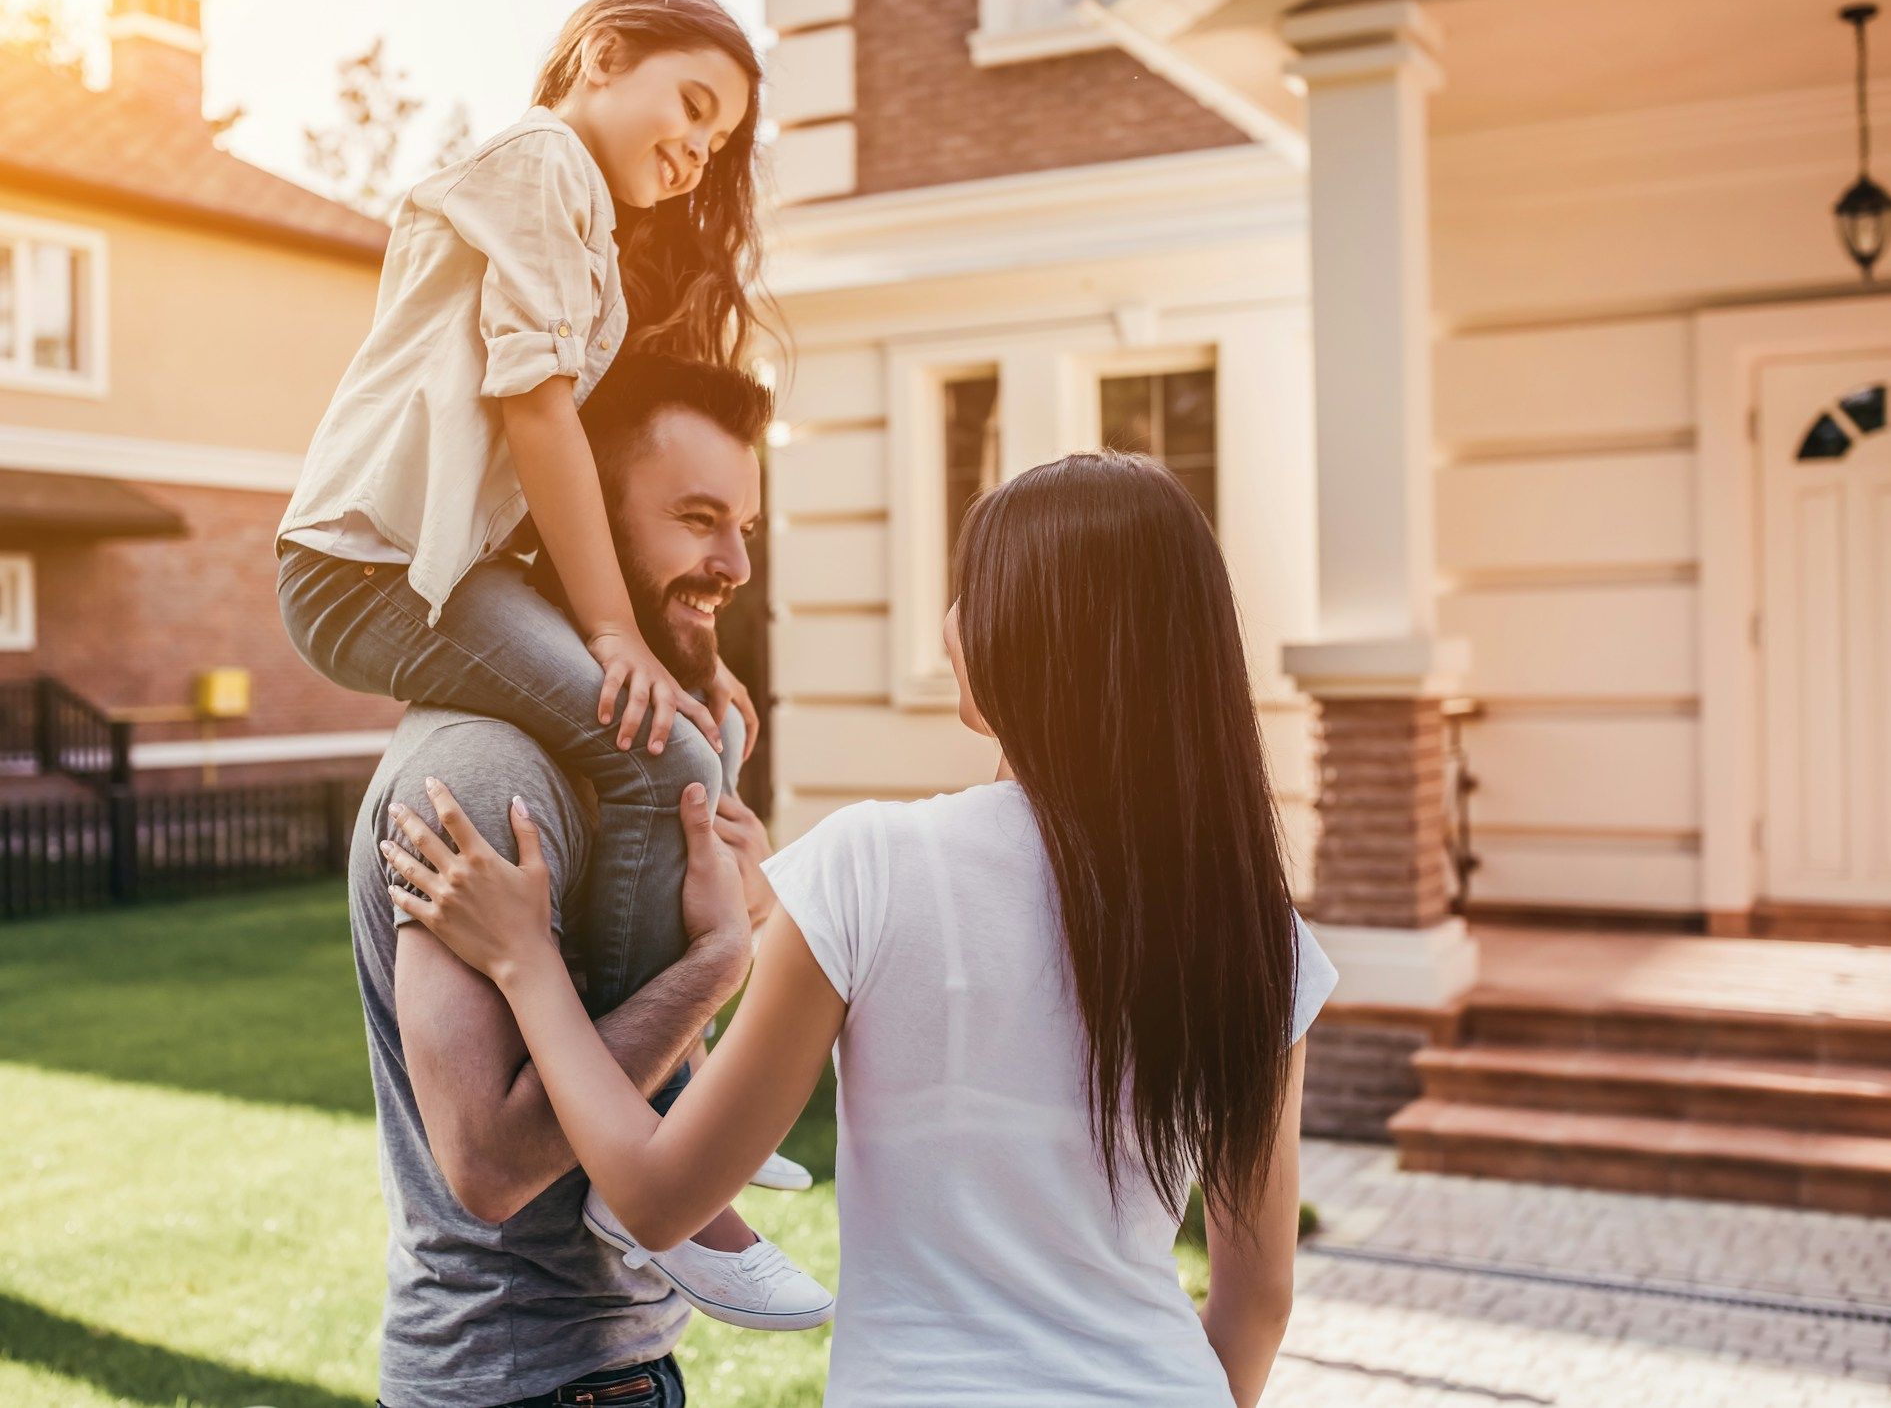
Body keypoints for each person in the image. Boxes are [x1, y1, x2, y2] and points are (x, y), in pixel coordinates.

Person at [390, 451, 1341, 1407]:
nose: (952, 620)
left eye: (969, 591)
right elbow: (1257, 1300)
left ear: (1022, 636)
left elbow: (656, 1196)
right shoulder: (1259, 934)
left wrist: (528, 961)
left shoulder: (872, 866)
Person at [277, 0, 773, 1061]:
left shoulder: (586, 224)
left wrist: (691, 659)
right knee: (661, 763)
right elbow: (535, 408)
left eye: (719, 141)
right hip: (367, 568)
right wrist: (613, 634)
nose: (699, 154)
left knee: (696, 732)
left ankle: (657, 1091)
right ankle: (633, 1104)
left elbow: (562, 478)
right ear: (603, 56)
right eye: (693, 107)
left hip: (445, 569)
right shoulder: (542, 161)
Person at [330, 356, 832, 1408]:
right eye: (699, 519)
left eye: (746, 526)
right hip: (519, 1378)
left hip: (612, 1364)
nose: (735, 561)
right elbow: (490, 1162)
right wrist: (715, 964)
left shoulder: (634, 755)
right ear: (582, 525)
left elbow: (625, 1049)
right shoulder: (481, 774)